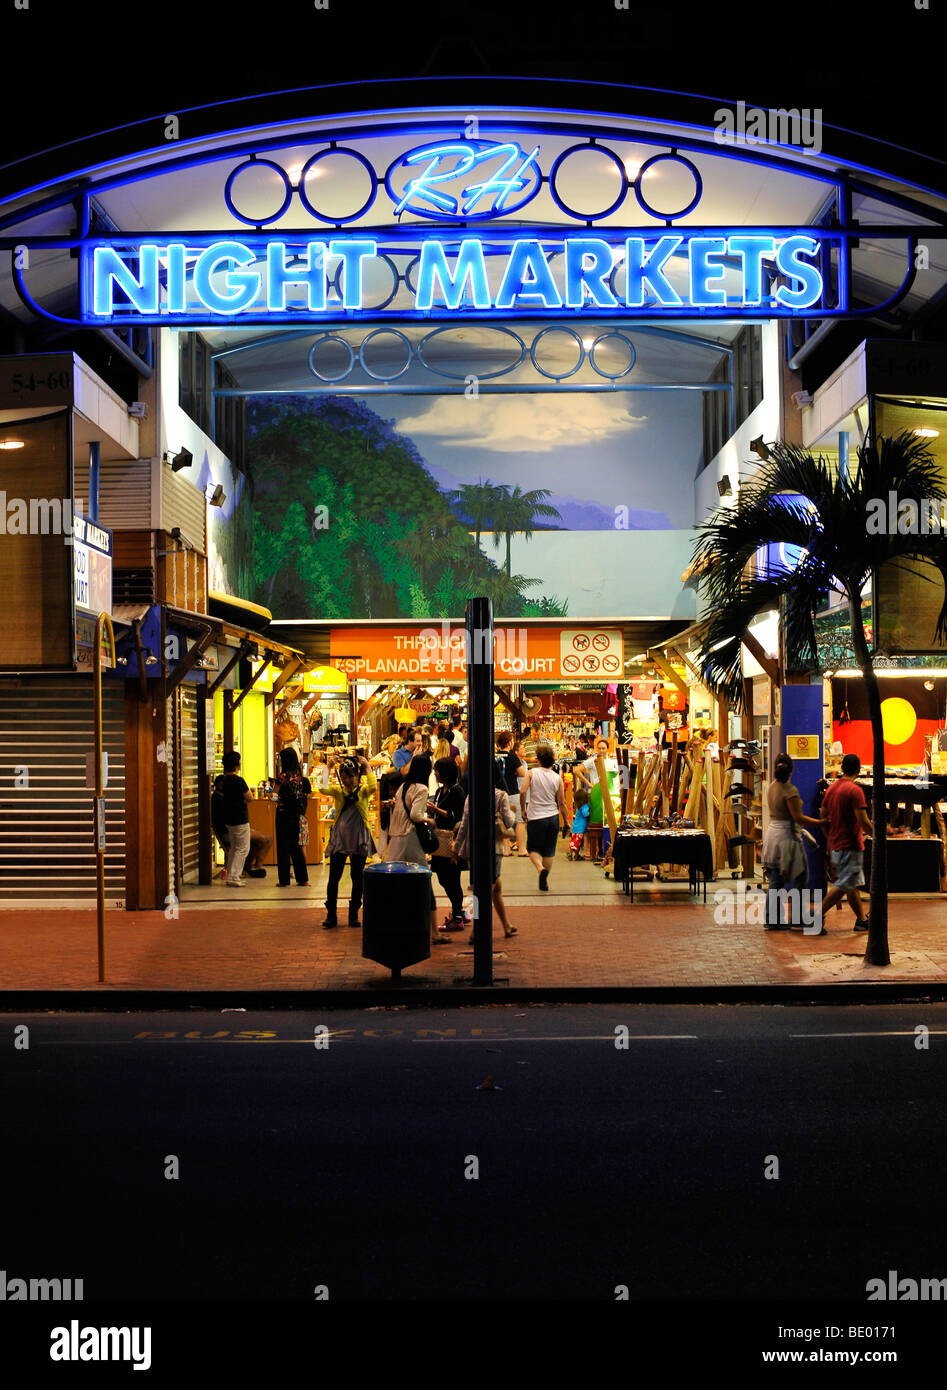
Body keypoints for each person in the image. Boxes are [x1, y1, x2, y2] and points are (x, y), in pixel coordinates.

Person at [760, 752, 824, 930]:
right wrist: (820, 822)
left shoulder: (772, 787)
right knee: (800, 878)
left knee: (776, 880)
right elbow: (798, 818)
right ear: (791, 770)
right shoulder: (790, 791)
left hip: (772, 835)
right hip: (787, 839)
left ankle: (772, 919)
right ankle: (796, 917)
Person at [385, 753, 442, 944]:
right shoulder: (422, 788)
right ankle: (434, 931)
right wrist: (431, 821)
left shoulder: (403, 786)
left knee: (394, 882)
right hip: (410, 838)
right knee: (423, 880)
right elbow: (417, 815)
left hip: (396, 838)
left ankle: (396, 925)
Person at [317, 755, 376, 929]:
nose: (347, 779)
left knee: (357, 878)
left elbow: (373, 786)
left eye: (351, 776)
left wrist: (366, 766)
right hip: (340, 839)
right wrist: (329, 766)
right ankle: (331, 915)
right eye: (344, 776)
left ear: (357, 776)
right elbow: (322, 787)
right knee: (334, 877)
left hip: (358, 837)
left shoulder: (363, 790)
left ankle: (353, 915)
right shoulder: (337, 791)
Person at [452, 785, 518, 941]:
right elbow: (508, 822)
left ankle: (506, 925)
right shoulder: (501, 796)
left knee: (495, 888)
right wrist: (513, 812)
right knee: (486, 891)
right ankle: (476, 930)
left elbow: (464, 824)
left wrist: (457, 848)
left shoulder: (471, 795)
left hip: (475, 847)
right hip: (494, 848)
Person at [819, 752, 874, 931]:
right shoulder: (855, 791)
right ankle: (815, 916)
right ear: (858, 769)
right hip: (850, 846)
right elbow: (863, 820)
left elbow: (822, 816)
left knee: (851, 885)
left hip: (835, 845)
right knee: (845, 884)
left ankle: (861, 920)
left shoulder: (832, 789)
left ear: (842, 768)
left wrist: (829, 837)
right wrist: (877, 834)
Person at [520, 745, 570, 891]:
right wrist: (566, 822)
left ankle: (540, 869)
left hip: (535, 817)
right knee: (549, 851)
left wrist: (523, 810)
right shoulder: (557, 778)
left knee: (532, 849)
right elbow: (562, 802)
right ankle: (545, 879)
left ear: (538, 760)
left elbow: (523, 792)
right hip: (552, 818)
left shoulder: (531, 773)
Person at [429, 756, 467, 929]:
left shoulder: (457, 791)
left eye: (437, 770)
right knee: (444, 878)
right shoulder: (439, 791)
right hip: (439, 841)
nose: (435, 773)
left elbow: (456, 817)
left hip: (451, 842)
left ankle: (457, 914)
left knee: (451, 879)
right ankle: (459, 911)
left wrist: (436, 809)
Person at [214, 750, 253, 887]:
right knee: (243, 848)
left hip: (229, 819)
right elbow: (250, 797)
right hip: (240, 818)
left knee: (235, 848)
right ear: (237, 764)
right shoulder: (238, 780)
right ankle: (234, 876)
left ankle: (231, 874)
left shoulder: (224, 781)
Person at [275, 747, 311, 887]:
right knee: (296, 847)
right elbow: (307, 795)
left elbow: (274, 795)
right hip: (297, 815)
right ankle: (303, 878)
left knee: (283, 847)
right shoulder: (302, 778)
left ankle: (284, 880)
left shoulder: (283, 777)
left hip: (283, 814)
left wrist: (270, 795)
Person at [495, 729, 526, 856]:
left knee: (503, 821)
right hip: (512, 792)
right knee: (519, 821)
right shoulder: (513, 757)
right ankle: (522, 849)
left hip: (498, 793)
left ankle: (506, 850)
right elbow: (522, 773)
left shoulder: (495, 756)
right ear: (508, 742)